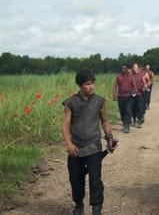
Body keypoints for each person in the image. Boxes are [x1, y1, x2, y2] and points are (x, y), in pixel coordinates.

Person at [62, 69, 116, 215]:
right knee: (75, 178)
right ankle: (79, 205)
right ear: (80, 86)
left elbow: (104, 121)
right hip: (76, 148)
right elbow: (65, 126)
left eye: (92, 83)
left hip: (94, 147)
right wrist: (68, 144)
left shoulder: (99, 101)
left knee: (95, 179)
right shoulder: (70, 102)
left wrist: (109, 137)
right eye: (87, 84)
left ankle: (97, 208)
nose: (91, 86)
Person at [113, 64, 133, 133]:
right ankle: (124, 122)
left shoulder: (131, 76)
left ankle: (127, 126)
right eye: (122, 68)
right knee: (122, 111)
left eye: (125, 68)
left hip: (128, 96)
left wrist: (134, 92)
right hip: (120, 96)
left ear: (127, 69)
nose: (123, 69)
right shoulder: (118, 76)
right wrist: (114, 95)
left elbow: (134, 85)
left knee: (127, 110)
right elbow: (115, 86)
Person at [131, 63, 150, 128]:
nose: (134, 68)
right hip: (132, 94)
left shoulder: (142, 74)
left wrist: (146, 86)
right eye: (133, 67)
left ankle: (139, 121)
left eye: (135, 67)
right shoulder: (130, 75)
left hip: (140, 93)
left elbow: (148, 81)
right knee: (133, 108)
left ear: (138, 68)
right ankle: (134, 120)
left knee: (139, 107)